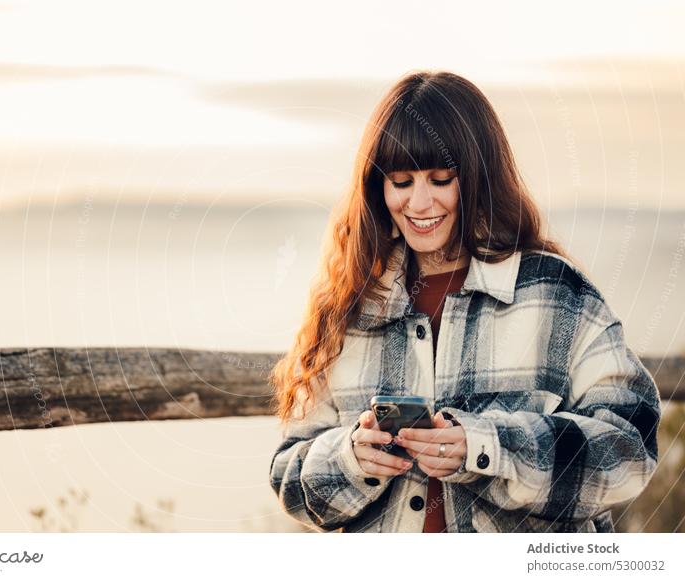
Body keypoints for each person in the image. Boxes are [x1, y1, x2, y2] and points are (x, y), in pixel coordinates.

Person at [267, 70, 661, 533]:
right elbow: (288, 478)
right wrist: (353, 458)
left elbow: (630, 449)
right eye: (400, 181)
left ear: (477, 177)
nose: (419, 202)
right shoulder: (348, 306)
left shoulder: (556, 294)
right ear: (378, 189)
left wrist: (487, 447)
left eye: (440, 179)